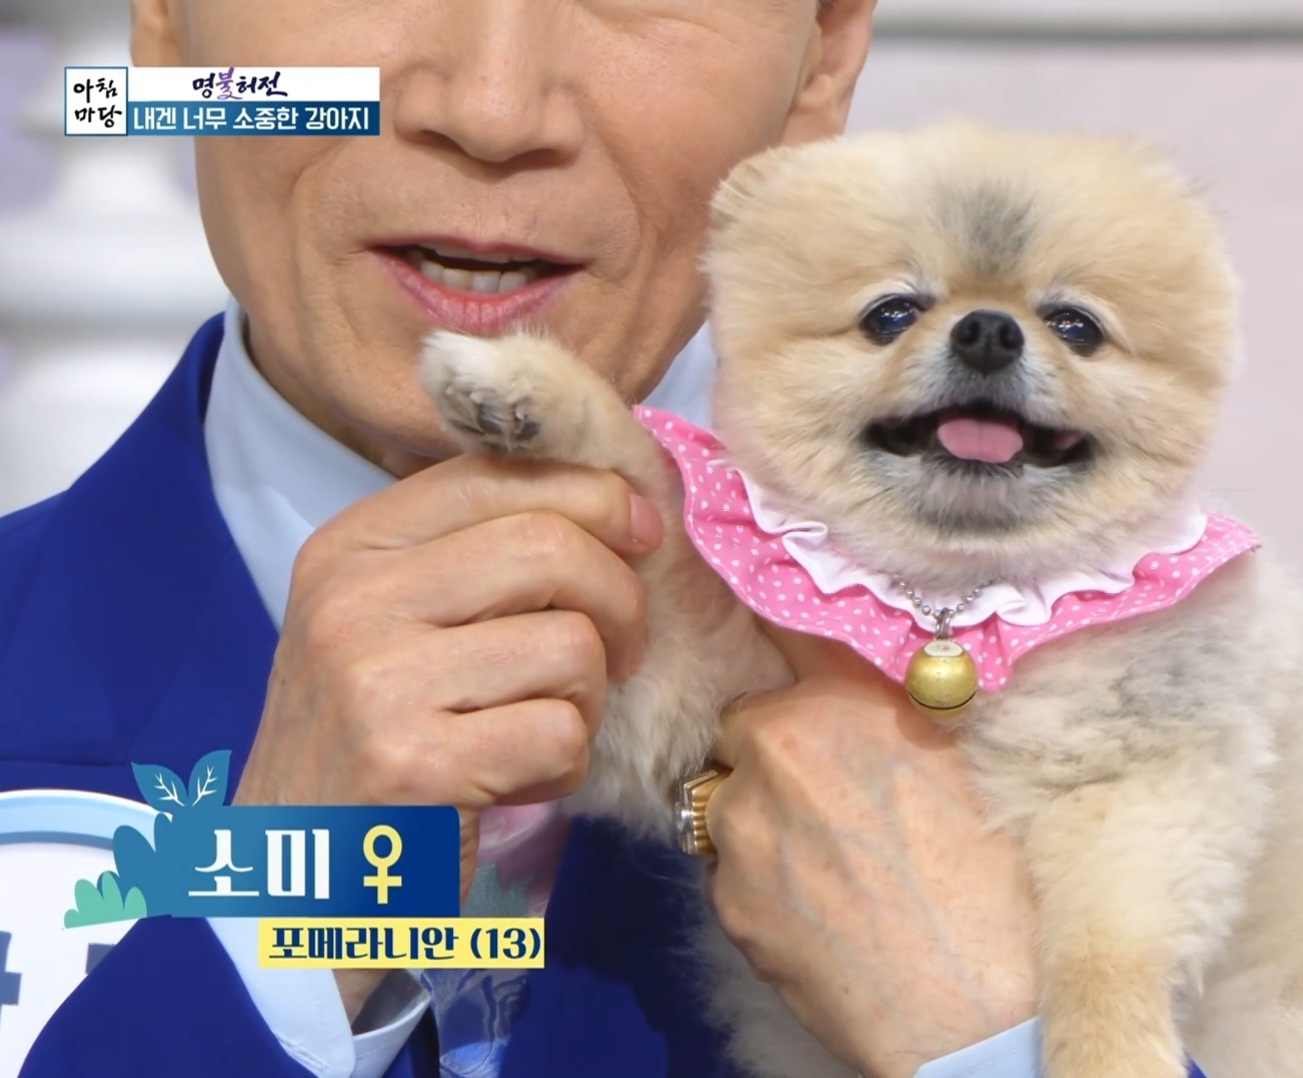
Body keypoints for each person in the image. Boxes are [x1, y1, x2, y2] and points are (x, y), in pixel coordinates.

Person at [2, 2, 1217, 1077]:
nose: (491, 108)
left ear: (822, 53)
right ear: (166, 21)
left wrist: (1000, 1043)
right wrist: (276, 911)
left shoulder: (1172, 760)